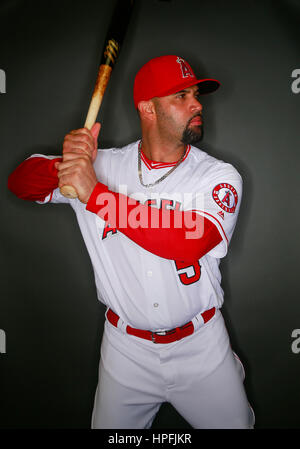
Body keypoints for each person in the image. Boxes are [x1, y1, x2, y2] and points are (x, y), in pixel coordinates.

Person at [8, 55, 255, 429]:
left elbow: (190, 241)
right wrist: (64, 165)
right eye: (182, 96)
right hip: (126, 349)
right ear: (148, 108)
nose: (198, 104)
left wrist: (96, 195)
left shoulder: (217, 176)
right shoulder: (99, 166)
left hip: (200, 345)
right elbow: (20, 183)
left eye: (197, 95)